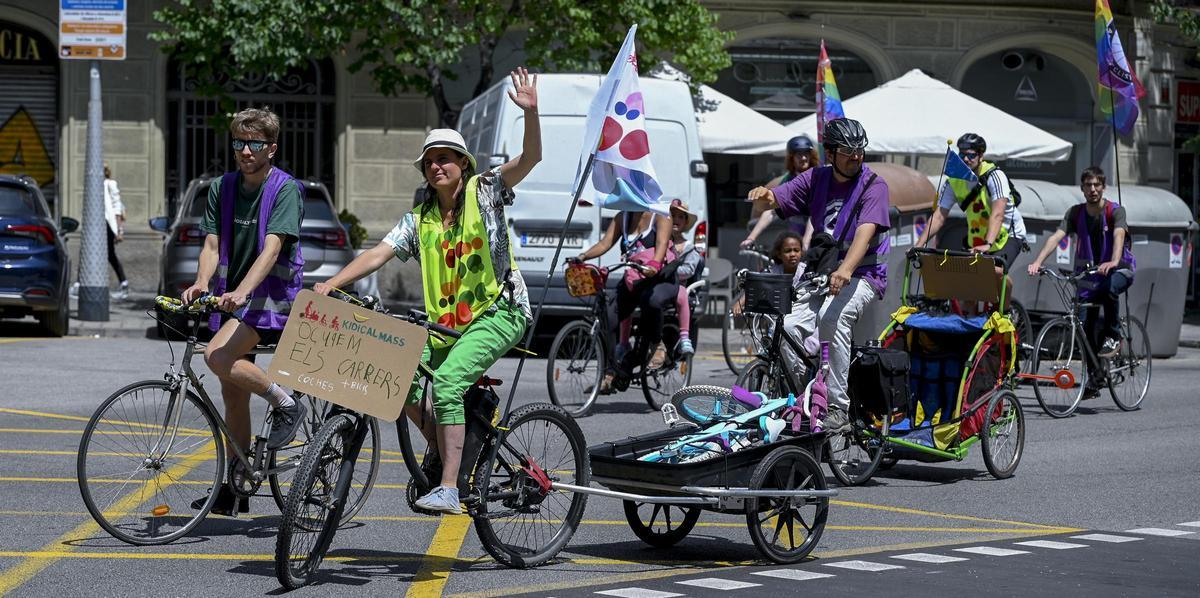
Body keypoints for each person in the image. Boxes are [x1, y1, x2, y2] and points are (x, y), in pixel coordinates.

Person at [314, 67, 542, 514]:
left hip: (500, 312)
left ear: (464, 165)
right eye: (430, 160)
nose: (437, 165)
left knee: (449, 383)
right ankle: (445, 446)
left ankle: (450, 487)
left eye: (446, 158)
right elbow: (377, 253)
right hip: (444, 326)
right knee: (396, 378)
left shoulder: (486, 192)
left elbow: (530, 158)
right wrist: (330, 284)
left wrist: (531, 115)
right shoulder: (419, 218)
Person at [182, 107, 307, 516]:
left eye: (254, 144)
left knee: (216, 356)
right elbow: (212, 247)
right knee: (232, 395)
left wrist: (241, 291)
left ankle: (285, 402)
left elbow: (272, 248)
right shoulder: (223, 187)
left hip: (269, 295)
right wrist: (202, 282)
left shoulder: (285, 189)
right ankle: (238, 483)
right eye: (238, 143)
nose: (245, 151)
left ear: (271, 148)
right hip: (232, 296)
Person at [747, 118, 890, 431]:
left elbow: (865, 233)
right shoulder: (817, 178)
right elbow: (780, 197)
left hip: (864, 273)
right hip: (824, 271)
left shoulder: (874, 185)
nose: (856, 157)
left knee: (831, 319)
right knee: (782, 326)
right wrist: (766, 195)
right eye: (849, 151)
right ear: (830, 153)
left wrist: (846, 269)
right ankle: (803, 397)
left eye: (860, 151)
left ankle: (838, 407)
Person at [1025, 166, 1135, 399]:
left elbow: (1119, 235)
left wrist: (1114, 261)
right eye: (1088, 185)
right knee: (1084, 327)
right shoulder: (1075, 213)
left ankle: (1113, 335)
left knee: (1109, 290)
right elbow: (1057, 236)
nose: (1093, 189)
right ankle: (1095, 379)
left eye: (1097, 185)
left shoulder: (1115, 211)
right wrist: (1037, 261)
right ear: (1082, 188)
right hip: (1089, 275)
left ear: (1103, 187)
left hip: (1119, 270)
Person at [574, 207, 672, 387]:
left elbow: (662, 244)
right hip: (633, 279)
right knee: (609, 316)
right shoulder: (622, 217)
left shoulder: (660, 216)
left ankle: (658, 345)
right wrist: (582, 257)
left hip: (659, 278)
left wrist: (654, 264)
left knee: (652, 301)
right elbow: (605, 243)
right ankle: (611, 371)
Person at [915, 133, 1026, 274]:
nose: (966, 159)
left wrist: (987, 244)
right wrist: (918, 245)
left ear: (981, 156)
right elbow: (938, 217)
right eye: (962, 155)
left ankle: (1004, 296)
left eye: (971, 155)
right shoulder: (953, 180)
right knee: (968, 276)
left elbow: (998, 214)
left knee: (995, 271)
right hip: (979, 235)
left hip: (1008, 233)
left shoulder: (995, 176)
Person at [742, 135, 818, 250]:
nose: (803, 158)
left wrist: (806, 242)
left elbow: (815, 212)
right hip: (794, 237)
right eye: (799, 154)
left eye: (806, 154)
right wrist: (751, 238)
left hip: (816, 237)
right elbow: (771, 211)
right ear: (791, 158)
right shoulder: (787, 180)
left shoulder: (818, 177)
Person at [731, 230, 804, 317]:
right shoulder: (774, 270)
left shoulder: (806, 271)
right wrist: (740, 303)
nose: (792, 254)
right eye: (788, 251)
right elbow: (757, 284)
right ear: (779, 254)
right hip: (777, 315)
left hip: (801, 313)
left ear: (801, 252)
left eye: (796, 250)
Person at [666, 199, 704, 357]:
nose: (676, 219)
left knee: (681, 295)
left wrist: (666, 271)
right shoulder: (660, 240)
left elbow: (688, 270)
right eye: (672, 215)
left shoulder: (689, 247)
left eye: (680, 217)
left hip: (677, 285)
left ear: (685, 222)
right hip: (658, 283)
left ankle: (684, 337)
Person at [103, 163, 130, 300]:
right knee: (104, 254)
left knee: (109, 254)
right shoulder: (94, 184)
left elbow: (117, 207)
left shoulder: (110, 184)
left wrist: (119, 230)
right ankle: (123, 282)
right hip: (98, 224)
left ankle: (123, 282)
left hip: (108, 224)